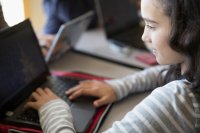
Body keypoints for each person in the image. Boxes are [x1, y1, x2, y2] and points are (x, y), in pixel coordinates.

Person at [26, 0, 200, 132]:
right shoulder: (191, 69)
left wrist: (54, 110)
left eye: (151, 25)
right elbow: (163, 73)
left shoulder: (178, 101)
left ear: (189, 30)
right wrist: (118, 87)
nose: (144, 37)